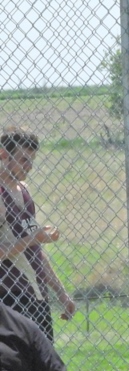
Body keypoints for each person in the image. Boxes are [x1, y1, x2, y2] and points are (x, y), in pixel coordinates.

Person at [0, 127, 76, 342]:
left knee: (44, 369)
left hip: (36, 296)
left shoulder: (23, 190)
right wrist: (35, 238)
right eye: (23, 159)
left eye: (32, 159)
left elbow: (35, 252)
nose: (29, 166)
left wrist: (61, 293)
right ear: (3, 154)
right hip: (9, 298)